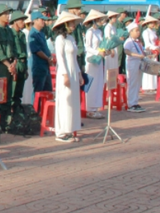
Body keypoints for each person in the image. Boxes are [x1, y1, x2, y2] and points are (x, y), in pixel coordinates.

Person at [53, 12, 83, 142]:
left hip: (73, 72)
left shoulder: (71, 38)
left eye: (74, 23)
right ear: (64, 24)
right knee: (65, 100)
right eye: (71, 23)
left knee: (73, 102)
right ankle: (61, 132)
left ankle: (70, 129)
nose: (73, 25)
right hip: (64, 73)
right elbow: (60, 58)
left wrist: (79, 73)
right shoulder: (60, 39)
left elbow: (74, 58)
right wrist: (65, 75)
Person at [82, 10, 106, 119]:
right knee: (91, 84)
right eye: (99, 20)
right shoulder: (90, 32)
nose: (101, 21)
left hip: (99, 59)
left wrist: (105, 51)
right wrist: (97, 52)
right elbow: (87, 47)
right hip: (91, 59)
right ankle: (89, 109)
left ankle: (95, 107)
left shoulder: (99, 32)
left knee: (98, 83)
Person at [122, 21, 147, 112]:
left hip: (138, 63)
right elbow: (127, 51)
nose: (138, 32)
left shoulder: (137, 42)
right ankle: (131, 104)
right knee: (132, 83)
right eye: (136, 30)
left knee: (137, 84)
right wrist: (137, 55)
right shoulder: (128, 41)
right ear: (130, 32)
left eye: (138, 30)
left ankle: (135, 102)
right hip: (132, 63)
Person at [28, 11, 53, 94]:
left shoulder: (41, 33)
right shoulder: (32, 34)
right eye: (41, 20)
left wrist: (50, 57)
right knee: (38, 91)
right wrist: (47, 58)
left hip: (45, 66)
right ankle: (35, 107)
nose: (43, 22)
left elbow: (45, 48)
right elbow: (37, 50)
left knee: (47, 91)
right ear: (35, 20)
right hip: (38, 66)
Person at [9, 11, 29, 110]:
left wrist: (26, 69)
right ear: (15, 21)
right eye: (21, 20)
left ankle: (17, 112)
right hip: (15, 63)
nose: (23, 22)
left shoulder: (22, 35)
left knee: (19, 91)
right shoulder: (9, 34)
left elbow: (25, 51)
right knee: (12, 91)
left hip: (22, 63)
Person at [141, 16, 160, 92]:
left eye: (153, 23)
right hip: (149, 50)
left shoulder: (154, 32)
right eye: (151, 23)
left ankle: (153, 86)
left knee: (154, 68)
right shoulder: (145, 32)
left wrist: (159, 47)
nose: (152, 24)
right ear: (147, 24)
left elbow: (156, 41)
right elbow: (147, 43)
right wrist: (155, 48)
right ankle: (147, 87)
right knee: (148, 68)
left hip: (155, 50)